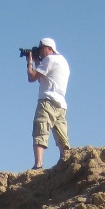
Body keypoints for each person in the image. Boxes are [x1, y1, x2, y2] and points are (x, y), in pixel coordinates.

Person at [26, 37, 70, 169]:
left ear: (49, 48)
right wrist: (39, 62)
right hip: (61, 104)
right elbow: (45, 80)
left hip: (47, 101)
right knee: (62, 137)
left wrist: (30, 63)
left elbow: (32, 77)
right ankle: (66, 162)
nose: (40, 52)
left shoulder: (50, 59)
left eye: (41, 49)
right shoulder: (63, 61)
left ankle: (38, 164)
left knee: (40, 129)